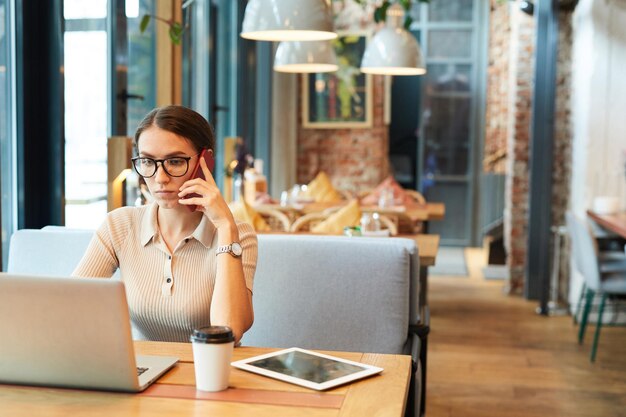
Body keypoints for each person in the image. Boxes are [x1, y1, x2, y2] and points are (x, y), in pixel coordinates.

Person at [73, 105, 256, 344]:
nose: (160, 178)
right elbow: (71, 305)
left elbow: (230, 329)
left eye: (175, 161)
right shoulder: (120, 225)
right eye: (148, 161)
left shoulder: (238, 234)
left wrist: (225, 227)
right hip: (143, 370)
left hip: (211, 372)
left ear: (205, 161)